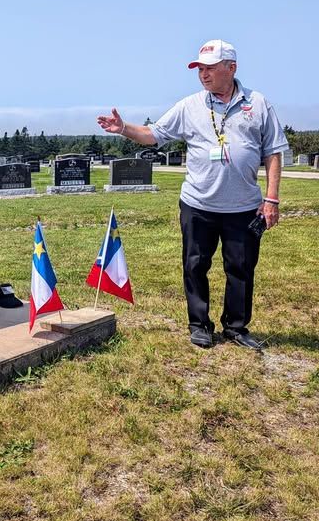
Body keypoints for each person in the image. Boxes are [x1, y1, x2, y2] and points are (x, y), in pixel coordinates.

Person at [97, 39, 289, 350]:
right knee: (195, 265)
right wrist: (124, 129)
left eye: (210, 68)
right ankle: (199, 324)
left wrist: (271, 199)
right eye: (199, 68)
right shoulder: (190, 106)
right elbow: (154, 134)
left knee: (240, 268)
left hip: (244, 208)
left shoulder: (259, 104)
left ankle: (236, 327)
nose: (203, 74)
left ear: (232, 68)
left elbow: (274, 153)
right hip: (199, 205)